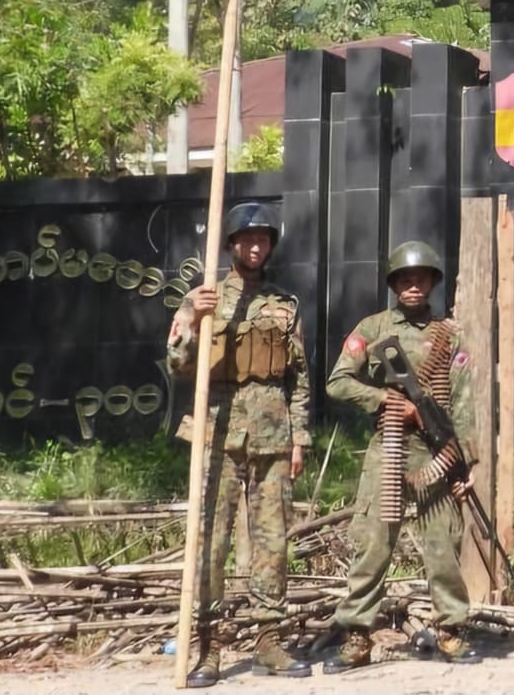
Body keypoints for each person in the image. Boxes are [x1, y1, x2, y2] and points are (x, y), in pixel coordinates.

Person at [166, 200, 312, 687]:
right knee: (211, 541)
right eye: (247, 239)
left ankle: (269, 639)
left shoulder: (285, 305)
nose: (255, 246)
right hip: (219, 432)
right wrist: (192, 323)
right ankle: (207, 647)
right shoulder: (202, 299)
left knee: (272, 542)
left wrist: (300, 437)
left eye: (263, 239)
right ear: (230, 245)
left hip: (273, 435)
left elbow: (300, 378)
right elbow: (178, 366)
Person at [323, 241, 482, 670]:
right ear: (394, 285)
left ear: (432, 282)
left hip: (437, 451)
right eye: (405, 280)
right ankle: (357, 635)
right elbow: (337, 382)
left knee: (443, 543)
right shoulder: (373, 328)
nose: (414, 286)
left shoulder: (451, 333)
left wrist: (466, 460)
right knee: (374, 543)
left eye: (421, 278)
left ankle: (450, 628)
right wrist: (386, 401)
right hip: (390, 445)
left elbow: (464, 403)